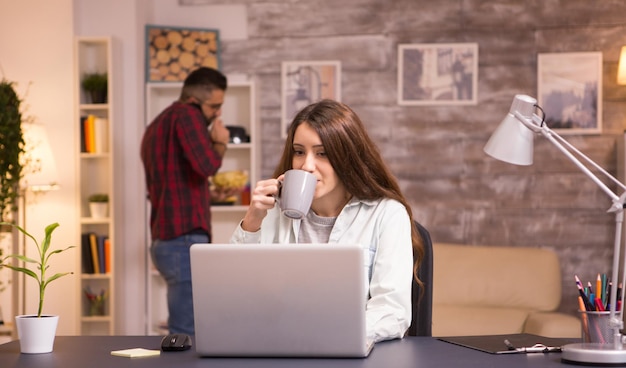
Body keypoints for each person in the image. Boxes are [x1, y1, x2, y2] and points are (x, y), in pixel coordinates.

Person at [230, 99, 424, 343]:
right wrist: (252, 221)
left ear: (348, 157)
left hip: (347, 352)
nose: (307, 165)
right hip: (278, 347)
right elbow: (234, 296)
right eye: (299, 152)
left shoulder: (387, 215)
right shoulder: (272, 212)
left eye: (322, 153)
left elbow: (392, 312)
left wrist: (322, 335)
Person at [140, 67, 231, 335]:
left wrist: (210, 195)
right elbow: (207, 165)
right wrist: (221, 143)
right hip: (184, 241)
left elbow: (171, 182)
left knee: (183, 330)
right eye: (214, 106)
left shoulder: (157, 124)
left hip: (164, 239)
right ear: (193, 99)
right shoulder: (188, 116)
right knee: (186, 333)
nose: (217, 113)